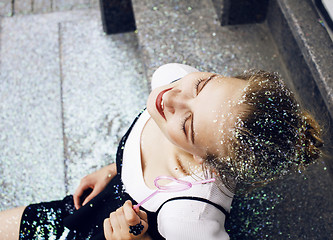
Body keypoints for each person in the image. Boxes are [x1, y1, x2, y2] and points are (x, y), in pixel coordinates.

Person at [0, 63, 323, 240]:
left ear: (204, 161)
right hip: (81, 214)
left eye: (187, 124)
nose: (170, 99)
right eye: (201, 85)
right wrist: (112, 169)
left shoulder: (187, 218)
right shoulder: (172, 77)